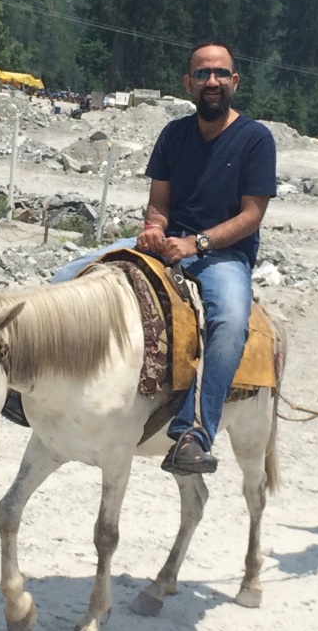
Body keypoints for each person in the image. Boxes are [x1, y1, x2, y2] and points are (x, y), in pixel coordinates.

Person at [52, 42, 277, 475]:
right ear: (187, 82)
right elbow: (159, 203)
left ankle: (195, 431)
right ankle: (33, 388)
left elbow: (253, 214)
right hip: (167, 246)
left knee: (230, 321)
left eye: (221, 73)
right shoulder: (174, 134)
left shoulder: (255, 139)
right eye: (202, 73)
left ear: (235, 81)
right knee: (68, 274)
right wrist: (154, 228)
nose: (212, 81)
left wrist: (198, 244)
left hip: (223, 255)